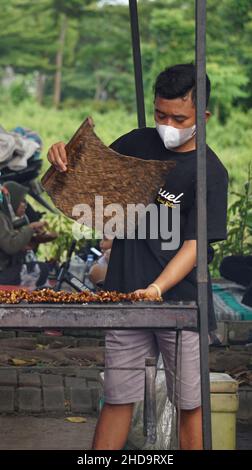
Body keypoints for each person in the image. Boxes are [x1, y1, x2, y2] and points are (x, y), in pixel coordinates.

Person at [47, 63, 228, 450]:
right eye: (161, 114)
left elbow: (195, 246)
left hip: (180, 304)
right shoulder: (136, 144)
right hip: (126, 295)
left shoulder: (210, 172)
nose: (167, 124)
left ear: (204, 117)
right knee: (117, 398)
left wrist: (157, 288)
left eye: (179, 118)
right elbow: (84, 179)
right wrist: (62, 154)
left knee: (190, 406)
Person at [0, 181, 53, 287]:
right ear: (12, 200)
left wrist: (34, 238)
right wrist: (31, 228)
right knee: (41, 269)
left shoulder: (6, 219)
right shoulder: (1, 218)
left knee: (40, 268)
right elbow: (10, 246)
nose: (25, 204)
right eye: (22, 200)